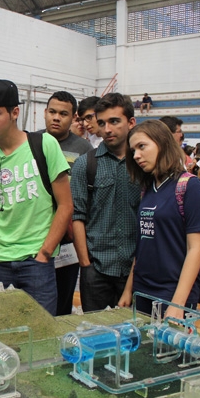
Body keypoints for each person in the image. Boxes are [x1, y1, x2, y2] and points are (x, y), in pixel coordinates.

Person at [0, 78, 72, 315]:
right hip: (0, 261)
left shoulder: (44, 144)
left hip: (37, 261)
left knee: (41, 339)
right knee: (7, 336)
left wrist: (44, 253)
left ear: (15, 112)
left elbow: (65, 206)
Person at [118, 120, 200, 319]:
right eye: (133, 150)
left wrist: (178, 304)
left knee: (169, 350)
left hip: (173, 293)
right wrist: (128, 289)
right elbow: (142, 244)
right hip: (142, 290)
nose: (136, 155)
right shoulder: (147, 189)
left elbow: (196, 249)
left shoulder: (190, 186)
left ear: (163, 142)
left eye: (142, 146)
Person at [70, 93, 140, 312]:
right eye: (102, 123)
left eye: (114, 121)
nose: (107, 129)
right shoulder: (85, 165)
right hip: (96, 269)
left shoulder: (143, 164)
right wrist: (85, 264)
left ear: (131, 122)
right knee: (96, 338)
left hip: (135, 270)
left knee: (135, 338)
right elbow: (77, 216)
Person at [40, 91, 92, 315]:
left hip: (68, 240)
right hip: (34, 235)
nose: (56, 117)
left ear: (73, 118)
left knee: (62, 301)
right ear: (45, 113)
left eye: (63, 114)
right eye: (52, 112)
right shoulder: (31, 142)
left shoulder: (85, 150)